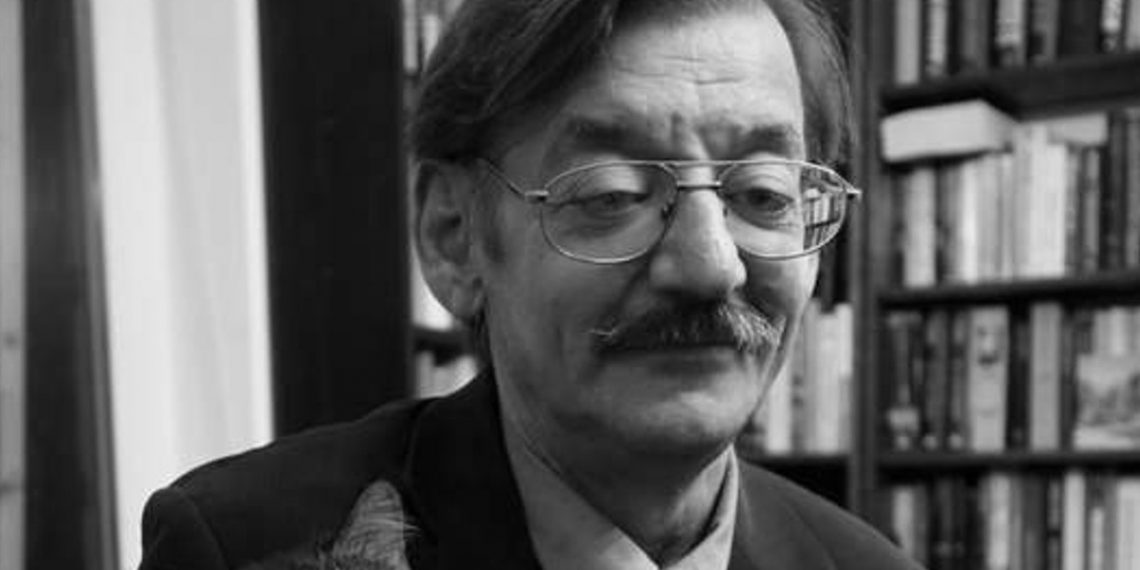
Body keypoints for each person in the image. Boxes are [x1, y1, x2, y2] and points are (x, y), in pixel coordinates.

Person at [139, 0, 924, 568]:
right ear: (454, 237)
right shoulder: (237, 545)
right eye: (612, 193)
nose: (711, 264)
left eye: (764, 194)